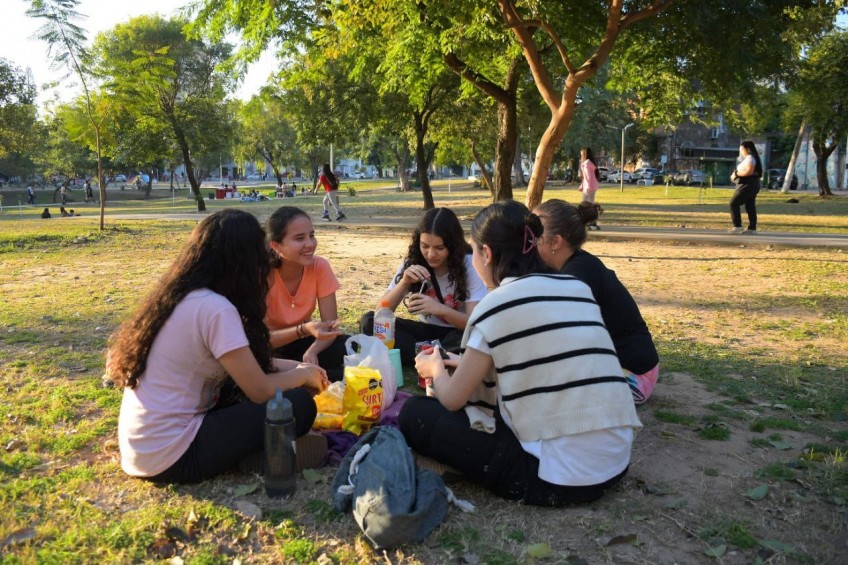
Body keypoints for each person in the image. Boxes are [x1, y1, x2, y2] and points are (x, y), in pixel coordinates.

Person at [399, 200, 641, 507]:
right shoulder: (576, 288)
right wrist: (469, 365)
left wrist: (434, 369)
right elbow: (547, 364)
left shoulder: (496, 304)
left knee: (415, 414)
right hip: (616, 459)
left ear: (487, 254)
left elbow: (452, 399)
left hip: (559, 478)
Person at [108, 209, 329, 484]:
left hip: (145, 449)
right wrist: (304, 375)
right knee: (299, 404)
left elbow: (247, 365)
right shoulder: (216, 309)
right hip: (175, 455)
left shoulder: (185, 297)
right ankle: (261, 455)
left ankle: (255, 449)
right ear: (244, 260)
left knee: (249, 391)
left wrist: (299, 367)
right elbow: (259, 389)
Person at [534, 199, 659, 403]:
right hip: (620, 365)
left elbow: (560, 335)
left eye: (535, 236)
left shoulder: (578, 274)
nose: (529, 241)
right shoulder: (571, 264)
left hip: (633, 375)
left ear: (556, 242)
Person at [359, 207, 488, 365]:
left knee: (472, 339)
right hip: (426, 332)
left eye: (439, 248)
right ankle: (436, 358)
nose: (431, 254)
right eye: (425, 246)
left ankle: (426, 357)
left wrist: (440, 309)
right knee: (369, 321)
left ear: (452, 245)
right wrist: (404, 282)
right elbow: (381, 312)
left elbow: (473, 324)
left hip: (458, 332)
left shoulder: (469, 264)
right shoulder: (414, 262)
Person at [265, 206, 349, 382]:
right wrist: (302, 330)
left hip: (303, 343)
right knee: (261, 365)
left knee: (351, 346)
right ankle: (312, 377)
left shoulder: (320, 266)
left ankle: (311, 376)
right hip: (270, 349)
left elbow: (330, 327)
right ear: (276, 245)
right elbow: (257, 340)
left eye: (311, 235)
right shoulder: (262, 274)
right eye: (299, 238)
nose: (310, 244)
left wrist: (312, 352)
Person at [728, 140, 763, 234]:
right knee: (750, 205)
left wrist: (736, 174)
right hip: (751, 184)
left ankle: (737, 226)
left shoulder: (750, 158)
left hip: (747, 185)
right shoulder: (752, 158)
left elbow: (748, 171)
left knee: (733, 203)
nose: (741, 151)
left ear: (746, 149)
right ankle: (752, 228)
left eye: (741, 149)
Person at [578, 147, 601, 230]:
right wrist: (582, 186)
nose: (581, 156)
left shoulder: (586, 163)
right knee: (590, 204)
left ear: (585, 154)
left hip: (589, 187)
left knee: (585, 205)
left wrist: (587, 187)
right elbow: (586, 177)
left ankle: (590, 222)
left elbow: (588, 177)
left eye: (581, 154)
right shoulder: (589, 163)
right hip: (591, 186)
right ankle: (591, 222)